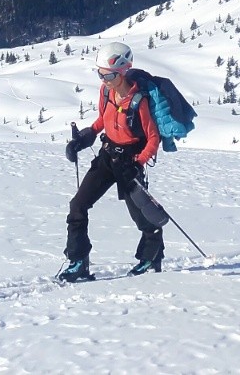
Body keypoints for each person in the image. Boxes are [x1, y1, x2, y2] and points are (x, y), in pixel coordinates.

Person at [58, 41, 164, 282]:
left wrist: (138, 164)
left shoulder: (139, 101)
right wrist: (85, 138)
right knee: (78, 204)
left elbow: (153, 138)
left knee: (142, 215)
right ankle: (78, 261)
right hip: (107, 155)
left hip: (129, 162)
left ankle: (152, 256)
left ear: (122, 71)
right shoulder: (106, 92)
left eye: (107, 75)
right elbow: (102, 120)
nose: (103, 79)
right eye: (100, 74)